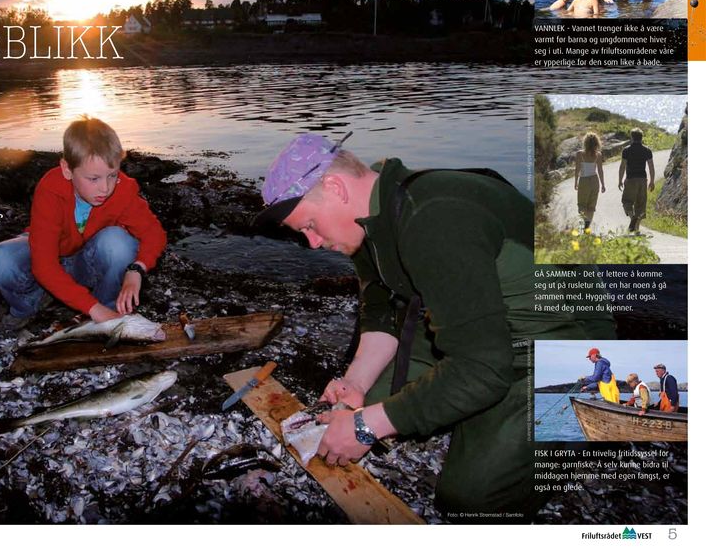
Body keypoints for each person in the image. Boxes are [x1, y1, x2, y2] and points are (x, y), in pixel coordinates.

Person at [254, 133, 615, 521]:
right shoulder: (371, 218)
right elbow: (381, 310)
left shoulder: (432, 218)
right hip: (487, 324)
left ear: (335, 187)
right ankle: (473, 417)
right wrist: (356, 385)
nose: (310, 243)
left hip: (554, 342)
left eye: (309, 224)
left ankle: (587, 420)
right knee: (374, 399)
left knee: (471, 499)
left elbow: (483, 368)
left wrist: (364, 427)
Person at [0, 117, 167, 329]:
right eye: (94, 179)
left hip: (85, 263)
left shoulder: (123, 190)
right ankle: (30, 304)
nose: (105, 188)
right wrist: (91, 307)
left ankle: (107, 310)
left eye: (112, 175)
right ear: (67, 169)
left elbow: (154, 233)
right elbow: (44, 265)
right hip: (47, 255)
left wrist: (137, 270)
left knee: (118, 242)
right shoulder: (50, 189)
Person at [618, 128, 655, 233]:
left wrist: (620, 180)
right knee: (640, 204)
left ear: (632, 137)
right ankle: (637, 229)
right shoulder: (647, 150)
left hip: (630, 179)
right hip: (643, 180)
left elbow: (622, 166)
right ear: (641, 137)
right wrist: (652, 181)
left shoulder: (626, 150)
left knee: (626, 201)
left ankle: (632, 217)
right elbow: (651, 167)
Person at [573, 132, 606, 229]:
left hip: (584, 180)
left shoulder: (580, 154)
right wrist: (603, 184)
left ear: (585, 142)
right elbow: (600, 170)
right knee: (591, 206)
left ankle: (583, 225)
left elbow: (577, 169)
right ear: (597, 143)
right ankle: (587, 226)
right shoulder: (598, 155)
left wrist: (576, 182)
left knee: (582, 205)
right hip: (595, 180)